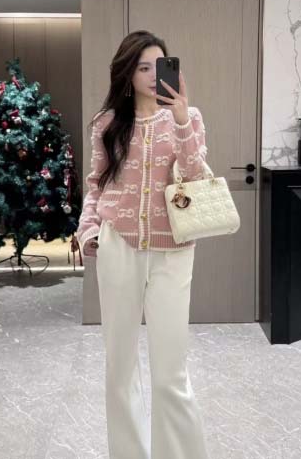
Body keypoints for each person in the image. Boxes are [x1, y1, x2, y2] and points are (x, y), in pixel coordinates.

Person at [76, 30, 211, 459]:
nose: (154, 75)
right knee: (120, 368)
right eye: (143, 67)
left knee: (171, 372)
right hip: (118, 248)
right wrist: (89, 230)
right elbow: (96, 185)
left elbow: (196, 178)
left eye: (160, 65)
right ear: (128, 73)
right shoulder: (107, 123)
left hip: (174, 251)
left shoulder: (188, 118)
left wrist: (183, 120)